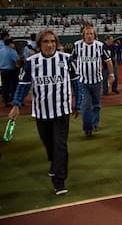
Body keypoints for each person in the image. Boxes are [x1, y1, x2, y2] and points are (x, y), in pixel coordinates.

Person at [8, 28, 82, 195]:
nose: (50, 45)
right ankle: (54, 163)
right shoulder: (31, 62)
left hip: (61, 110)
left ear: (57, 43)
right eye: (46, 42)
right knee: (49, 144)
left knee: (60, 145)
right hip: (41, 112)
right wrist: (16, 105)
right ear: (39, 44)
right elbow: (23, 86)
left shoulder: (67, 59)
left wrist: (78, 103)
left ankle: (59, 181)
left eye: (53, 41)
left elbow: (76, 82)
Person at [72, 25, 114, 137]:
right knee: (85, 105)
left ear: (95, 35)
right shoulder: (77, 45)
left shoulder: (100, 46)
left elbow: (108, 61)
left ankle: (95, 124)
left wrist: (111, 74)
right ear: (83, 36)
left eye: (91, 34)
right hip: (83, 81)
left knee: (96, 105)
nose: (89, 36)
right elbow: (72, 60)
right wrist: (75, 72)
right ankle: (87, 128)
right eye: (87, 34)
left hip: (97, 81)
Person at [0, 38, 20, 107]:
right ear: (10, 44)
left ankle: (5, 100)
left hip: (3, 70)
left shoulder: (1, 51)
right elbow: (17, 61)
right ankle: (13, 100)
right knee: (13, 86)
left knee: (5, 86)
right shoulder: (12, 51)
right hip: (11, 71)